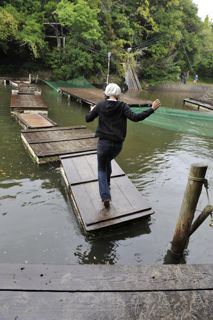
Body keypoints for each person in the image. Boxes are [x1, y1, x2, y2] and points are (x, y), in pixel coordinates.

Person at [85, 83, 160, 208]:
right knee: (107, 160)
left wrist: (92, 110)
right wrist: (152, 109)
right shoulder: (122, 106)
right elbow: (136, 118)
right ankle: (107, 184)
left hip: (103, 143)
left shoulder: (100, 105)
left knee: (101, 169)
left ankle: (105, 196)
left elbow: (88, 119)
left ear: (106, 94)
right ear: (118, 95)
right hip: (117, 146)